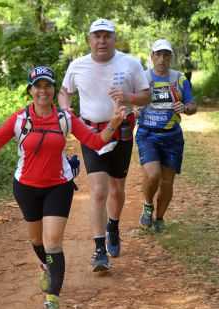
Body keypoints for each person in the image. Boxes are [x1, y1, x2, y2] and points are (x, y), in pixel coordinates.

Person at [0, 66, 126, 309]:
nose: (43, 90)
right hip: (26, 187)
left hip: (58, 186)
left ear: (53, 89)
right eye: (37, 86)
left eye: (47, 85)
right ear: (30, 90)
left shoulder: (65, 118)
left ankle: (52, 302)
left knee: (52, 243)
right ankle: (46, 265)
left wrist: (114, 124)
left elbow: (94, 142)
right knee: (37, 242)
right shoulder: (19, 119)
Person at [58, 18, 150, 270]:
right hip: (91, 133)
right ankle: (99, 250)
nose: (101, 41)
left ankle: (113, 225)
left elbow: (146, 95)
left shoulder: (130, 63)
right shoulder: (78, 65)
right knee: (98, 190)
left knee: (117, 188)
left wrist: (129, 97)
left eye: (106, 36)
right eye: (96, 36)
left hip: (121, 131)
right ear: (89, 40)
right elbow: (65, 91)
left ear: (114, 39)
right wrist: (66, 110)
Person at [137, 39, 197, 232]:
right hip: (147, 133)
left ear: (170, 57)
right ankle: (147, 205)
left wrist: (185, 108)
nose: (162, 59)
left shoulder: (179, 79)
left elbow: (192, 105)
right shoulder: (142, 78)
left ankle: (160, 218)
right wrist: (134, 109)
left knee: (167, 182)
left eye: (166, 55)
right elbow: (130, 100)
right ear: (152, 56)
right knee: (153, 174)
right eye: (158, 55)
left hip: (172, 135)